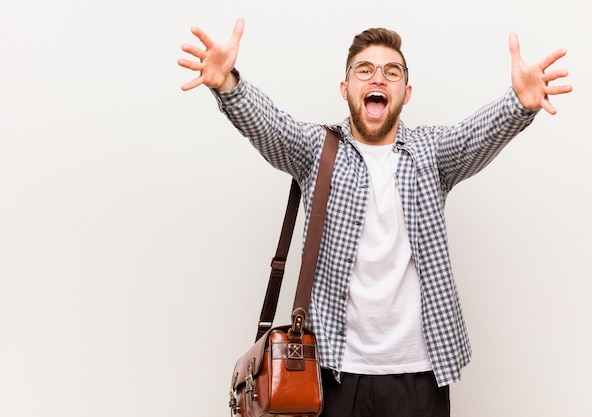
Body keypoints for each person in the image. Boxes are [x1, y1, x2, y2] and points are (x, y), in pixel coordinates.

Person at [178, 18, 571, 417]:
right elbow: (272, 128)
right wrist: (227, 84)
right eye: (364, 70)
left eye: (391, 71)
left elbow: (475, 135)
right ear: (345, 88)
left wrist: (519, 103)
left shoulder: (430, 152)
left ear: (406, 91)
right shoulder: (317, 150)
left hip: (420, 373)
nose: (377, 78)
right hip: (332, 371)